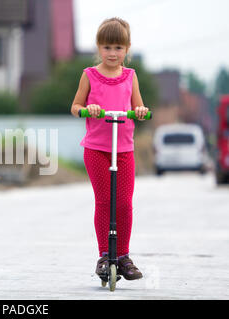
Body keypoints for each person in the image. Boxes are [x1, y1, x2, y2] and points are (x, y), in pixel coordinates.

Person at [70, 18, 149, 281]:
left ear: (127, 48)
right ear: (98, 48)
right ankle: (105, 255)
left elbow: (140, 108)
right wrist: (87, 109)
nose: (112, 53)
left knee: (124, 203)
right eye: (106, 48)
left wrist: (140, 111)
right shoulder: (89, 74)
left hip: (124, 150)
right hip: (97, 149)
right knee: (104, 201)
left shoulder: (130, 77)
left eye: (117, 47)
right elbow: (75, 106)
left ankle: (124, 256)